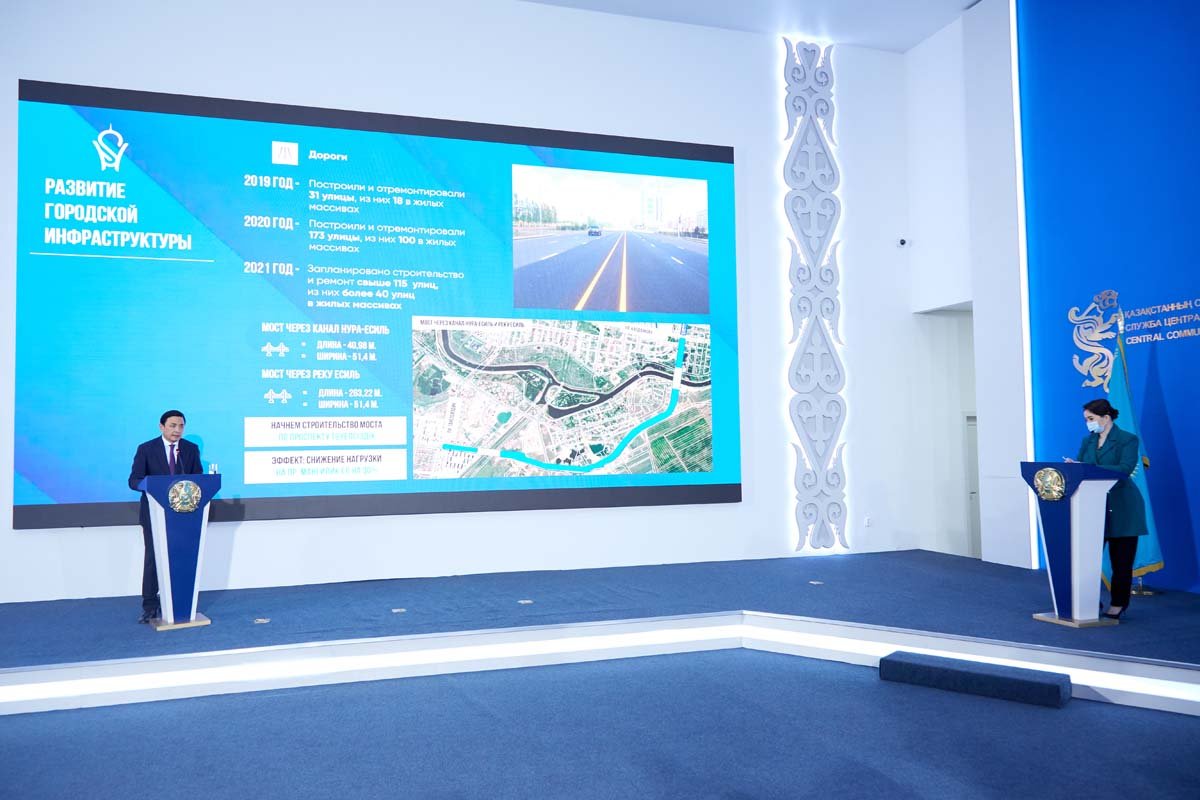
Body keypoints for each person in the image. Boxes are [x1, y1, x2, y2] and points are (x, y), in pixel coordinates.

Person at [1067, 398, 1148, 620]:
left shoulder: (1127, 439)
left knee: (1121, 562)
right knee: (1086, 560)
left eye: (1091, 418)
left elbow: (1124, 469)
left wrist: (1089, 468)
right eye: (1086, 419)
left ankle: (1118, 603)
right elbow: (1081, 466)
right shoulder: (1088, 441)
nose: (1088, 423)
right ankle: (1088, 601)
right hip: (1093, 506)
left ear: (1106, 417)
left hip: (1123, 507)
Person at [128, 410, 202, 623]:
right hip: (154, 514)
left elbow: (198, 480)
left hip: (184, 517)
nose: (177, 430)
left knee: (181, 558)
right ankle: (150, 606)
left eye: (181, 426)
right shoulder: (146, 449)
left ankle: (178, 602)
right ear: (161, 427)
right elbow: (134, 480)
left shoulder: (190, 449)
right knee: (153, 559)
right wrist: (152, 485)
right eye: (172, 425)